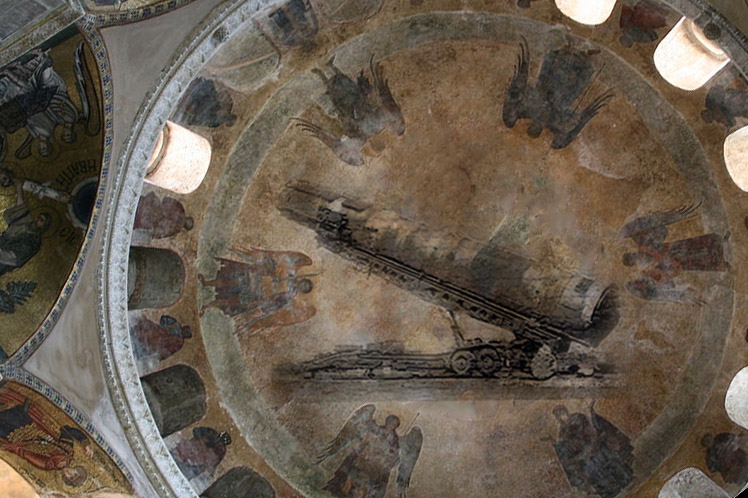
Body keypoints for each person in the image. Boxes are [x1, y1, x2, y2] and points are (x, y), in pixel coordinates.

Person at [200, 247, 316, 334]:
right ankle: (206, 283)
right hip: (255, 280)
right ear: (302, 280)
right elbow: (273, 269)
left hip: (257, 294)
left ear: (302, 291)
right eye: (303, 284)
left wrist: (260, 306)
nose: (302, 286)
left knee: (230, 302)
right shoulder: (290, 273)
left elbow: (275, 303)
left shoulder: (290, 295)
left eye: (304, 288)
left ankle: (208, 305)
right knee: (228, 282)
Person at [0, 386, 93, 478]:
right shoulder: (67, 451)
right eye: (75, 474)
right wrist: (85, 441)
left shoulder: (48, 465)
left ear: (65, 478)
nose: (70, 473)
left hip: (16, 438)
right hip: (29, 428)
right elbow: (67, 431)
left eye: (70, 477)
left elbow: (25, 454)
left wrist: (12, 446)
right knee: (10, 413)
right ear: (76, 469)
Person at [552, 404, 633, 498]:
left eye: (559, 414)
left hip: (594, 445)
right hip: (583, 453)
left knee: (599, 458)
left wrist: (589, 446)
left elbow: (591, 432)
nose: (559, 418)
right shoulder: (562, 431)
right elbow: (568, 447)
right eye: (557, 416)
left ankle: (623, 480)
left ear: (565, 412)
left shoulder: (578, 418)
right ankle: (609, 490)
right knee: (586, 466)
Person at [0, 173, 51, 277]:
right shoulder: (27, 225)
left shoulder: (33, 242)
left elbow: (13, 257)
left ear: (44, 226)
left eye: (41, 220)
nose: (37, 220)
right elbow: (21, 209)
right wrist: (19, 190)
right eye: (38, 217)